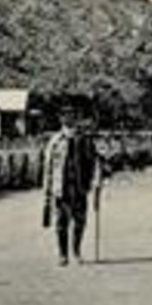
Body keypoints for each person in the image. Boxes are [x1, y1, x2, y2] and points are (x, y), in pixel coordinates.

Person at [42, 108, 104, 266]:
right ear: (61, 120)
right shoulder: (55, 141)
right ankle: (63, 255)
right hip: (60, 187)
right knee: (61, 223)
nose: (68, 119)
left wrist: (96, 180)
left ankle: (76, 251)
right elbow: (48, 167)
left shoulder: (84, 140)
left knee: (80, 222)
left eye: (72, 116)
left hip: (79, 186)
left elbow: (94, 162)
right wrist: (47, 190)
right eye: (65, 116)